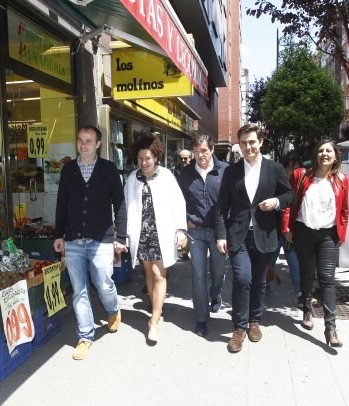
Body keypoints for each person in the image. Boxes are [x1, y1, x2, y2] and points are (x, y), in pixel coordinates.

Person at [215, 123, 293, 353]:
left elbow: (289, 194)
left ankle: (254, 321)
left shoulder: (275, 168)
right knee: (242, 279)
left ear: (260, 142)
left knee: (259, 281)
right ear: (239, 145)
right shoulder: (231, 171)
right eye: (243, 143)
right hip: (238, 235)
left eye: (252, 142)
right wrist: (221, 235)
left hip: (265, 235)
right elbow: (222, 207)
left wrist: (276, 202)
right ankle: (239, 328)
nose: (248, 146)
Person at [53, 126, 128, 360]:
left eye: (88, 141)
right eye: (80, 140)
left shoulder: (108, 169)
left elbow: (120, 204)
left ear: (98, 144)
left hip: (101, 238)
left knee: (104, 282)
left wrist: (120, 237)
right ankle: (85, 336)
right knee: (79, 291)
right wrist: (58, 234)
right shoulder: (68, 169)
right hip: (74, 239)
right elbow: (61, 203)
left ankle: (113, 310)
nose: (83, 145)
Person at [282, 140, 349, 348]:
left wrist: (341, 235)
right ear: (315, 155)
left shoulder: (341, 180)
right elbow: (289, 203)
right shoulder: (300, 175)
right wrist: (287, 228)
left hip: (328, 235)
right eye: (320, 150)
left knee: (328, 279)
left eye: (329, 150)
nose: (324, 154)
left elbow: (344, 211)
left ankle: (331, 328)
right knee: (307, 273)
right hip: (303, 232)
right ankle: (307, 310)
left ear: (335, 156)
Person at [125, 134, 187, 343]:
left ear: (156, 157)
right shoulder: (133, 178)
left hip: (162, 232)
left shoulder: (167, 176)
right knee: (148, 274)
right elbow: (126, 206)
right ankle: (155, 310)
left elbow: (179, 203)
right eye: (140, 158)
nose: (144, 162)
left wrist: (181, 230)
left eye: (148, 158)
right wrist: (122, 234)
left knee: (160, 275)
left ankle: (154, 319)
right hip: (141, 233)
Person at [177, 134, 228, 337]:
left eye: (204, 151)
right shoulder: (186, 173)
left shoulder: (224, 171)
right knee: (198, 275)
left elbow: (230, 201)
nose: (200, 156)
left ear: (212, 150)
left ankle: (216, 295)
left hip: (218, 232)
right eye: (196, 152)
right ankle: (201, 318)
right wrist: (184, 222)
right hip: (196, 230)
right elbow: (178, 201)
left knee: (218, 272)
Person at [265, 153, 303, 305]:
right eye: (290, 168)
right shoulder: (274, 184)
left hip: (291, 233)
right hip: (274, 232)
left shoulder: (302, 187)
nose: (293, 172)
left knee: (294, 262)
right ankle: (265, 283)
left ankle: (300, 293)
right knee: (270, 261)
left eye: (297, 168)